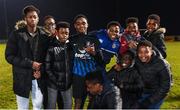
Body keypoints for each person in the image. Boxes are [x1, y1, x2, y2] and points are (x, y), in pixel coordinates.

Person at [5, 5, 50, 109]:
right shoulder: (16, 34)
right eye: (30, 17)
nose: (33, 19)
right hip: (21, 77)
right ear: (25, 19)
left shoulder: (44, 35)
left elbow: (47, 58)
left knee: (38, 107)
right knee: (22, 107)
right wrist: (30, 63)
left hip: (38, 77)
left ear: (38, 19)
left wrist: (41, 70)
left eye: (35, 16)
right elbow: (9, 56)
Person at [69, 14, 101, 109]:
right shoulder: (70, 40)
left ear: (87, 25)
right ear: (75, 26)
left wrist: (94, 53)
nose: (81, 26)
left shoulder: (94, 39)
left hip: (91, 75)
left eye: (83, 23)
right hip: (77, 75)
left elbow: (101, 60)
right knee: (78, 101)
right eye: (78, 24)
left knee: (92, 101)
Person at [134, 40, 171, 109]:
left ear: (151, 51)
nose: (143, 55)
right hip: (144, 91)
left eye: (146, 52)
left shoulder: (161, 64)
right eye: (140, 52)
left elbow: (165, 86)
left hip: (158, 92)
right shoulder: (136, 60)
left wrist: (149, 101)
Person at [45, 21, 72, 109]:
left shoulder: (70, 46)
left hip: (67, 84)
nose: (64, 35)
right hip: (53, 84)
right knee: (51, 106)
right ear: (56, 32)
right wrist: (55, 80)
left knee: (68, 105)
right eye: (62, 33)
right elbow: (47, 67)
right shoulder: (51, 46)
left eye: (66, 33)